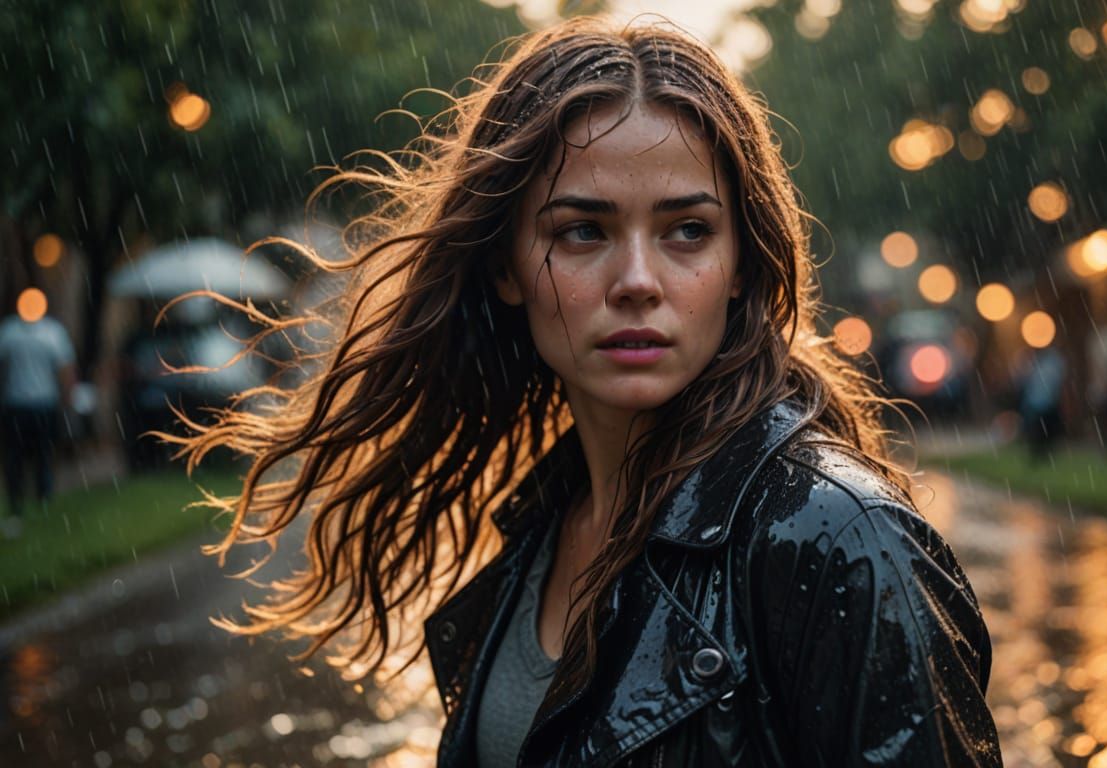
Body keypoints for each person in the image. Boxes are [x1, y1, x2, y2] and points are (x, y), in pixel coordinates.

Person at [161, 17, 1001, 766]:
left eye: (687, 231)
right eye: (583, 231)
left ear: (741, 263)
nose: (637, 280)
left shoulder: (840, 541)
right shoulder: (543, 524)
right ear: (506, 266)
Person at [0, 297, 76, 527]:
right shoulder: (41, 332)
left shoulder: (13, 332)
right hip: (27, 404)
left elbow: (65, 370)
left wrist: (66, 396)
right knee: (30, 454)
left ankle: (34, 499)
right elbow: (65, 369)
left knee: (33, 454)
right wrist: (67, 397)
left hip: (32, 403)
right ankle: (32, 500)